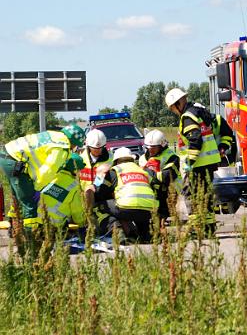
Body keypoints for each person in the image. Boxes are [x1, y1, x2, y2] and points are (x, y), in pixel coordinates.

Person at [165, 88, 233, 233]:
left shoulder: (188, 117)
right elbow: (225, 132)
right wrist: (222, 147)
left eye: (173, 109)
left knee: (192, 195)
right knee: (206, 197)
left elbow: (195, 140)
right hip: (209, 164)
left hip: (197, 165)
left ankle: (196, 229)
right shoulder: (203, 114)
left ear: (177, 104)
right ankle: (208, 227)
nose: (174, 112)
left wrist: (190, 162)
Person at [0, 124, 85, 225]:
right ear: (74, 143)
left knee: (18, 195)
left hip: (7, 154)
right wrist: (37, 189)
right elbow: (48, 170)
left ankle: (13, 225)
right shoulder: (62, 147)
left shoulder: (54, 136)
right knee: (30, 202)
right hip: (16, 161)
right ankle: (29, 235)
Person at [90, 147, 157, 242]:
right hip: (149, 210)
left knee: (98, 207)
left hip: (125, 208)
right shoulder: (143, 171)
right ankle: (145, 234)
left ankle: (117, 231)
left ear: (116, 161)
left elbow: (100, 193)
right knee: (140, 213)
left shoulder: (115, 171)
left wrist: (97, 181)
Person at [141, 129, 182, 220]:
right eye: (149, 147)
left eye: (154, 147)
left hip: (169, 189)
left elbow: (167, 177)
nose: (151, 150)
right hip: (152, 189)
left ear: (162, 146)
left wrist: (147, 171)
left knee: (164, 213)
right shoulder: (143, 158)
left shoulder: (172, 157)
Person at [39, 155, 87, 230]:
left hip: (37, 222)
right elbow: (77, 212)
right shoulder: (74, 187)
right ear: (75, 170)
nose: (80, 172)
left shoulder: (52, 176)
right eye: (80, 170)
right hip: (55, 226)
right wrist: (83, 224)